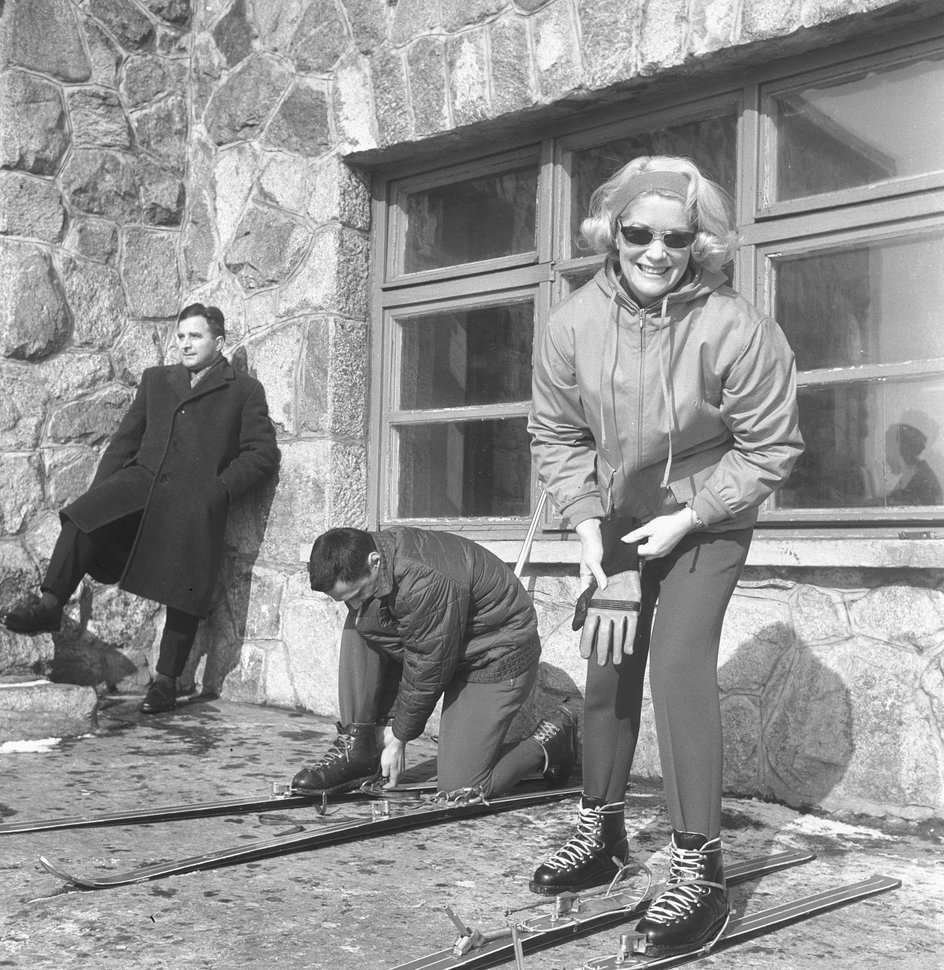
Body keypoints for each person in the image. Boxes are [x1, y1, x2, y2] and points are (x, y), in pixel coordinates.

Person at [527, 156, 803, 956]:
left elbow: (770, 445)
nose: (655, 250)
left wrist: (693, 514)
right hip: (615, 514)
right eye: (637, 232)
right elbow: (557, 432)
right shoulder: (571, 323)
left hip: (707, 516)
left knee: (677, 663)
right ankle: (603, 831)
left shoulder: (735, 328)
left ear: (698, 241)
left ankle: (698, 865)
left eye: (674, 236)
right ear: (610, 232)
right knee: (608, 659)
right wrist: (585, 528)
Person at [2, 304, 280, 714]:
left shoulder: (243, 390)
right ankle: (50, 604)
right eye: (181, 335)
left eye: (195, 336)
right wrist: (104, 490)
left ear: (218, 343)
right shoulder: (157, 380)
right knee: (82, 517)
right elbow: (125, 440)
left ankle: (166, 682)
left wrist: (218, 491)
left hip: (193, 498)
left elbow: (262, 454)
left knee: (183, 586)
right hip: (141, 483)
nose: (185, 343)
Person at [291, 526, 578, 798]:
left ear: (375, 561)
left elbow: (427, 665)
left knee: (460, 787)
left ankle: (551, 740)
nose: (353, 604)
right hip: (449, 646)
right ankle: (359, 748)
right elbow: (416, 648)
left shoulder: (424, 580)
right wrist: (382, 725)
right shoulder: (373, 560)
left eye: (357, 593)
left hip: (495, 658)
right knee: (361, 624)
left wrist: (399, 735)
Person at [885, 422, 942, 506]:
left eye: (888, 449)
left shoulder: (923, 481)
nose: (886, 457)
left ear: (901, 449)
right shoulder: (911, 475)